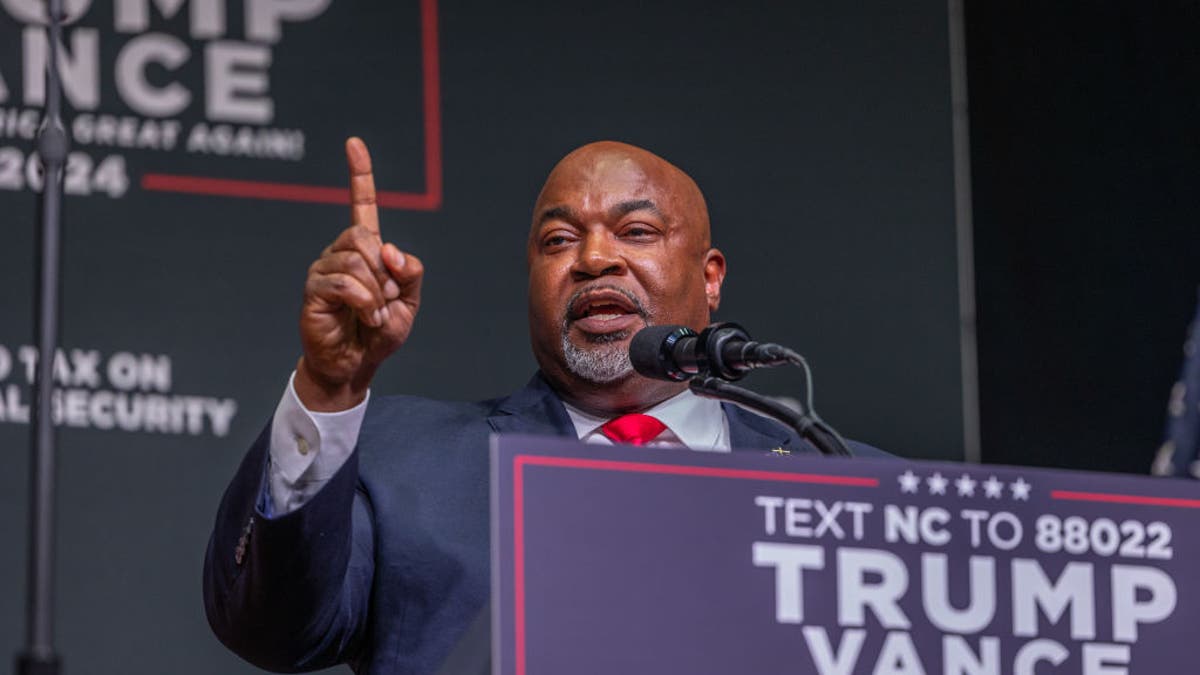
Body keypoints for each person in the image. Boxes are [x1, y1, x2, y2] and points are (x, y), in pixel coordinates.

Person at [203, 138, 884, 674]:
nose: (594, 258)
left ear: (710, 279)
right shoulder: (401, 462)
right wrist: (329, 388)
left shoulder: (854, 491)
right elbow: (270, 627)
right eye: (559, 241)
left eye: (636, 231)